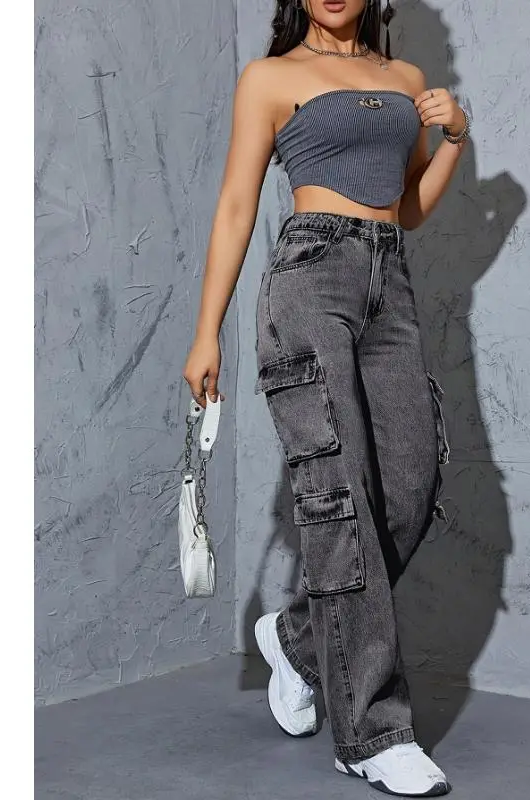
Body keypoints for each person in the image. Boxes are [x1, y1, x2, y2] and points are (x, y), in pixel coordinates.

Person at [183, 1, 468, 796]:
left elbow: (408, 208)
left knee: (408, 490)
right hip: (312, 281)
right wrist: (207, 333)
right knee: (340, 499)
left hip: (390, 284)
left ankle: (298, 641)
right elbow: (237, 204)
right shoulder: (271, 77)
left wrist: (454, 138)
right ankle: (372, 735)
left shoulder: (404, 78)